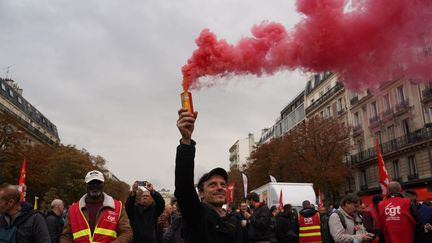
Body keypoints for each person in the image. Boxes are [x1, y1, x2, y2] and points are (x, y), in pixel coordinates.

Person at [175, 108, 241, 243]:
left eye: (223, 184)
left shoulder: (233, 221)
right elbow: (184, 187)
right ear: (201, 194)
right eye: (212, 184)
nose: (220, 187)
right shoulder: (197, 216)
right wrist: (186, 141)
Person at [60, 170, 132, 243]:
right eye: (91, 183)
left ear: (103, 185)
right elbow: (66, 236)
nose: (95, 186)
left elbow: (126, 233)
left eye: (98, 183)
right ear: (86, 185)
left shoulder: (118, 207)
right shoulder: (73, 209)